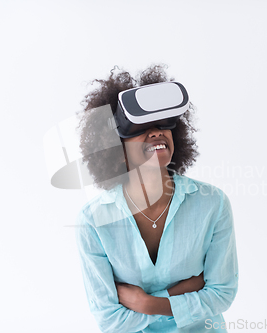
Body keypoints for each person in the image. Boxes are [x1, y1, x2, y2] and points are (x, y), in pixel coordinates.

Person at [75, 64, 238, 333]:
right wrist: (185, 293)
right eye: (140, 126)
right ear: (117, 147)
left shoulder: (213, 204)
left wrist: (148, 303)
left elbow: (222, 294)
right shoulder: (94, 220)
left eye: (164, 124)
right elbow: (109, 318)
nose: (157, 132)